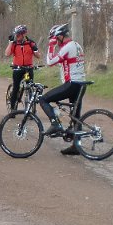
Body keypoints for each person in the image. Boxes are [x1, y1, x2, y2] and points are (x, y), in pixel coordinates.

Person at [40, 23, 86, 155]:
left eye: (54, 38)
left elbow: (50, 62)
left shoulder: (67, 47)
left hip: (72, 84)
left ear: (59, 36)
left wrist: (51, 46)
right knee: (75, 116)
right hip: (81, 84)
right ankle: (76, 146)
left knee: (43, 99)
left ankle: (55, 124)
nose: (54, 41)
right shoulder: (76, 45)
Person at [5, 24, 41, 110]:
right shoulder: (14, 44)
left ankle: (31, 109)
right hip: (18, 69)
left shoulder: (30, 43)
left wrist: (35, 50)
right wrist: (10, 42)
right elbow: (7, 54)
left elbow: (38, 56)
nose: (17, 36)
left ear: (24, 34)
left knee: (29, 86)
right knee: (16, 88)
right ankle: (13, 109)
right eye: (16, 34)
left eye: (18, 34)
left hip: (28, 69)